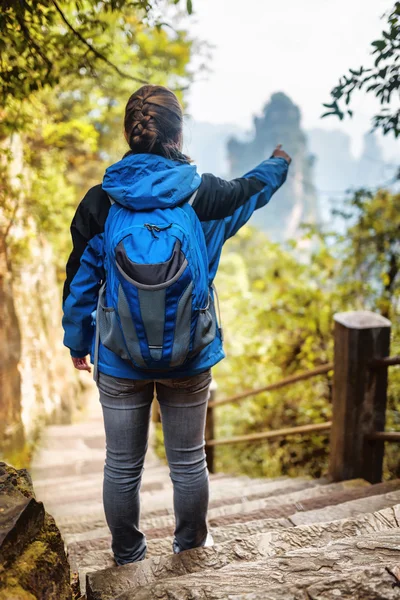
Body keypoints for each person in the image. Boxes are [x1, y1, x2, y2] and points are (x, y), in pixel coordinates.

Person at [62, 84, 291, 566]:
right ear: (179, 133)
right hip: (190, 354)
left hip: (121, 357)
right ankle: (191, 550)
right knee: (189, 463)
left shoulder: (100, 203)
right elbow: (251, 192)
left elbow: (81, 279)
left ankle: (128, 556)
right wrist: (279, 163)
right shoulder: (203, 195)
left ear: (129, 133)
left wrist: (76, 341)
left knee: (122, 466)